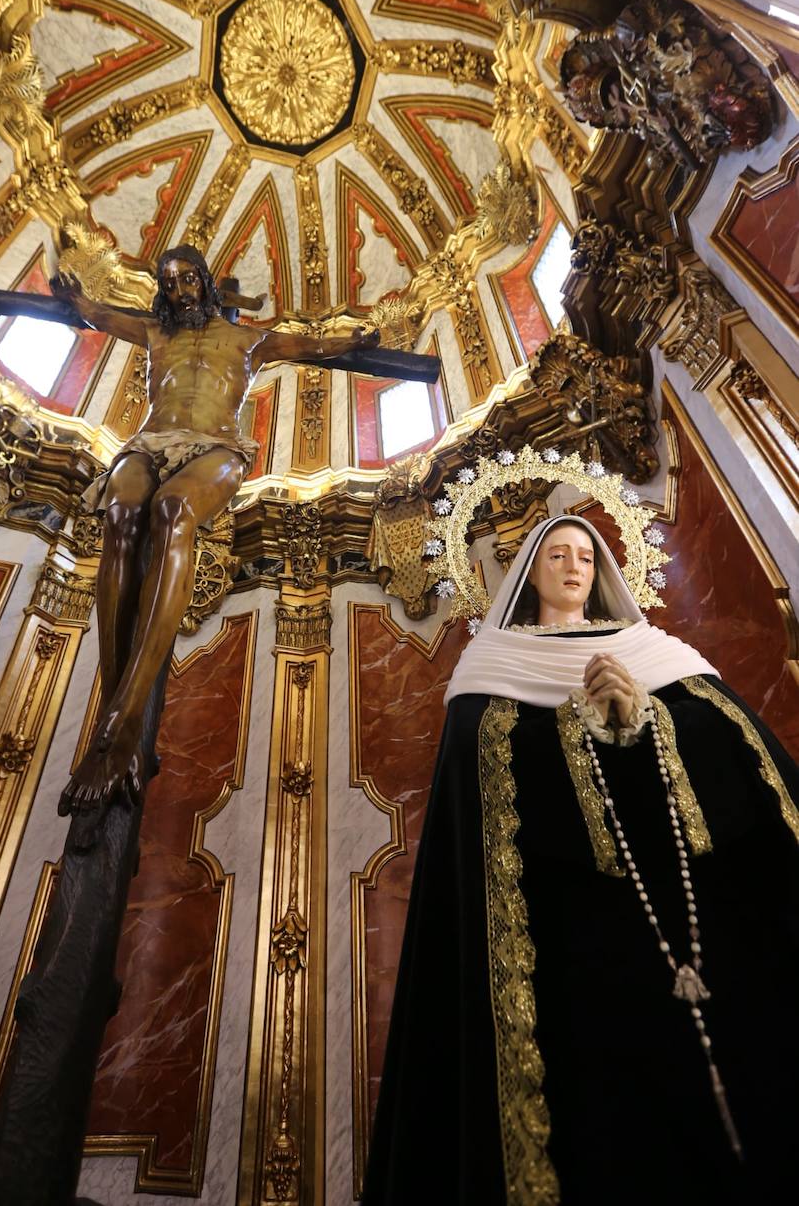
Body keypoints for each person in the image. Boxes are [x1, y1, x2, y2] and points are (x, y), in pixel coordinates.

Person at [363, 514, 799, 1206]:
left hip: (701, 918)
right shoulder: (492, 668)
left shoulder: (655, 652)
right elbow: (487, 787)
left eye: (588, 557)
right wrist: (583, 727)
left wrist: (647, 722)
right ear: (528, 569)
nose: (574, 568)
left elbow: (733, 747)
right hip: (570, 938)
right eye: (558, 555)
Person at [50, 244, 378, 813]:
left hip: (216, 447)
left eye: (188, 280)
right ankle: (117, 705)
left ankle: (121, 720)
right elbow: (98, 315)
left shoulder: (248, 339)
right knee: (122, 515)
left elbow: (314, 346)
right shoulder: (155, 332)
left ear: (204, 281)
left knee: (173, 512)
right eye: (170, 283)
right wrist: (74, 297)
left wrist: (356, 341)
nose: (180, 291)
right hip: (150, 442)